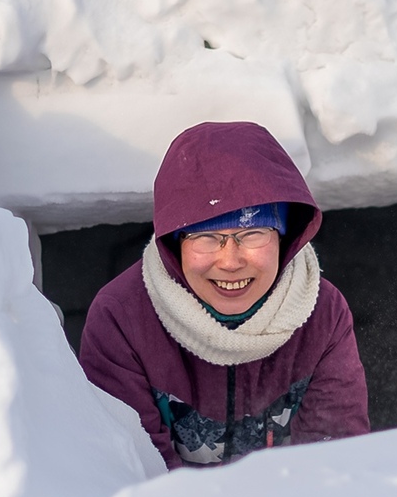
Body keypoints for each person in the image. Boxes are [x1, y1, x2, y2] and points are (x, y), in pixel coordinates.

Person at [78, 121, 370, 468]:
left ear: (284, 237)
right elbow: (134, 471)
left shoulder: (320, 312)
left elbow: (336, 458)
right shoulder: (122, 319)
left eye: (253, 233)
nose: (230, 261)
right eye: (206, 237)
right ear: (175, 243)